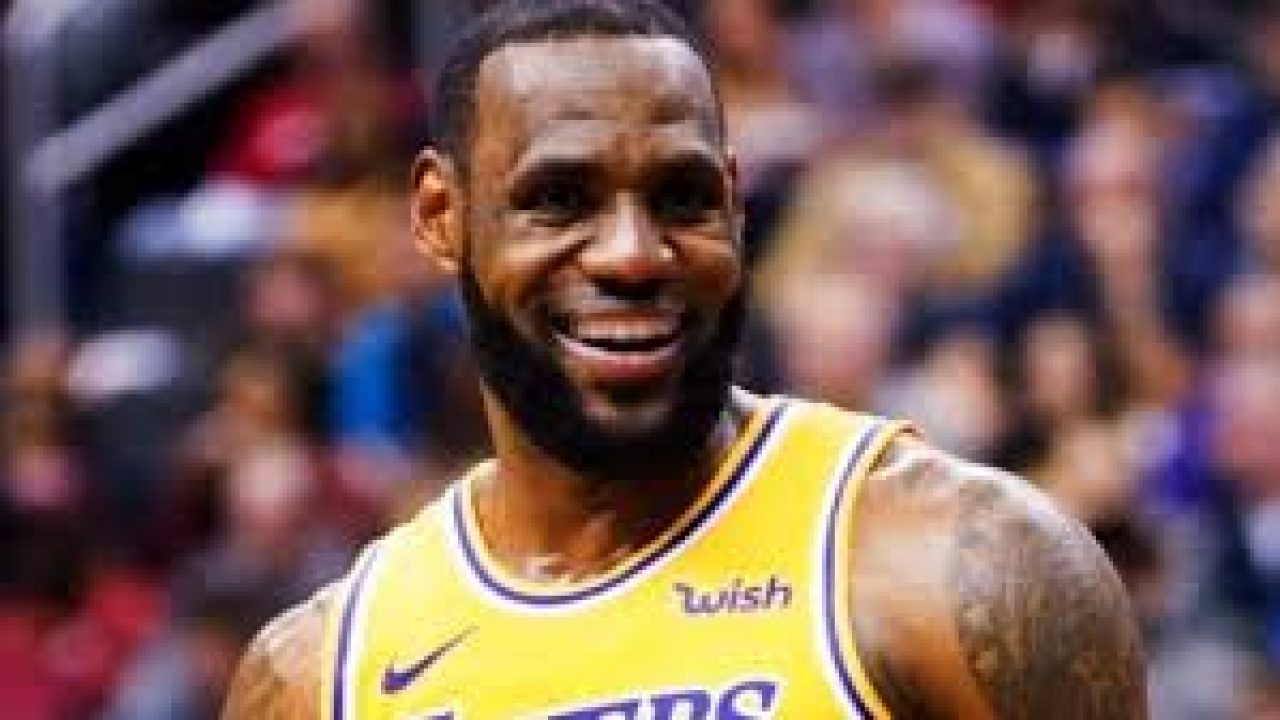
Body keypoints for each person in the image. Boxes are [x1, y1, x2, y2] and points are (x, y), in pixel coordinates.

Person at [221, 1, 1147, 717]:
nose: (633, 254)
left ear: (735, 204)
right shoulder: (321, 674)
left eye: (682, 196)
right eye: (559, 198)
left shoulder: (965, 568)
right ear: (439, 215)